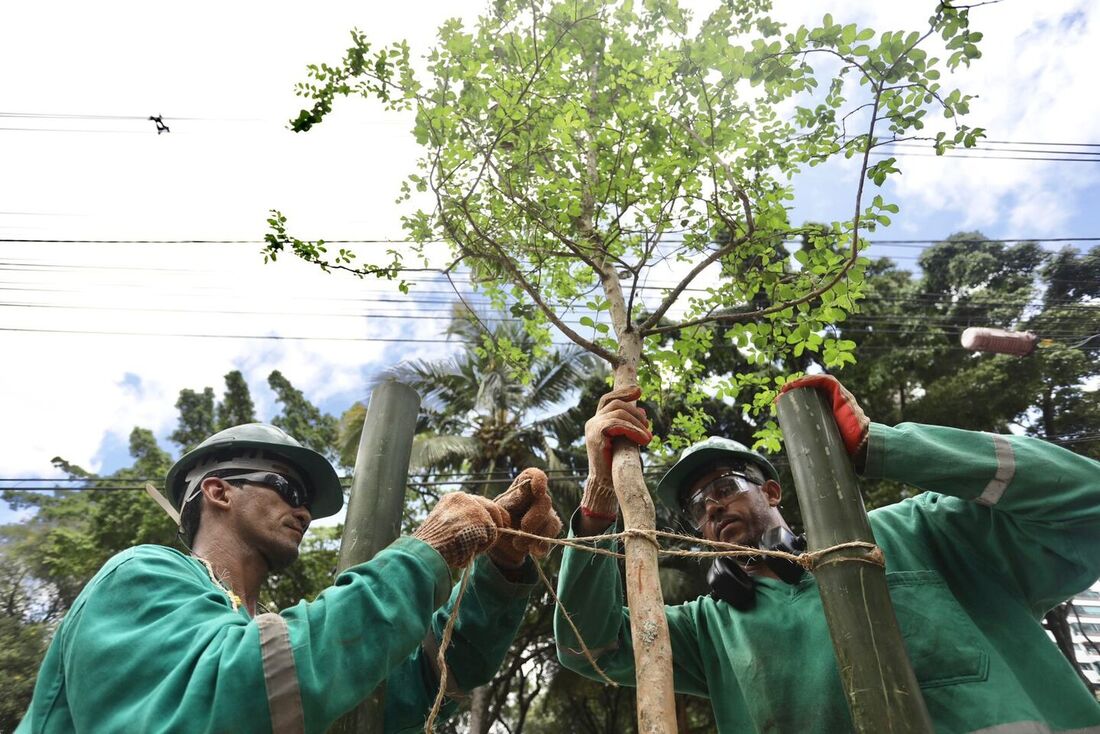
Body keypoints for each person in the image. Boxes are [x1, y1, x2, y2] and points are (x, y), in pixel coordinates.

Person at [555, 376, 1100, 733]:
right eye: (696, 507)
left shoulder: (914, 532)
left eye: (723, 487)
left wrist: (882, 446)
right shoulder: (709, 630)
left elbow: (1086, 505)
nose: (711, 510)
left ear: (771, 491)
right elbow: (588, 648)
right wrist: (601, 498)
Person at [18, 422, 561, 734]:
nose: (304, 511)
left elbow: (430, 673)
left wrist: (503, 568)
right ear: (218, 491)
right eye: (287, 488)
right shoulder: (140, 577)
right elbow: (225, 698)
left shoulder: (272, 638)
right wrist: (425, 553)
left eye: (309, 502)